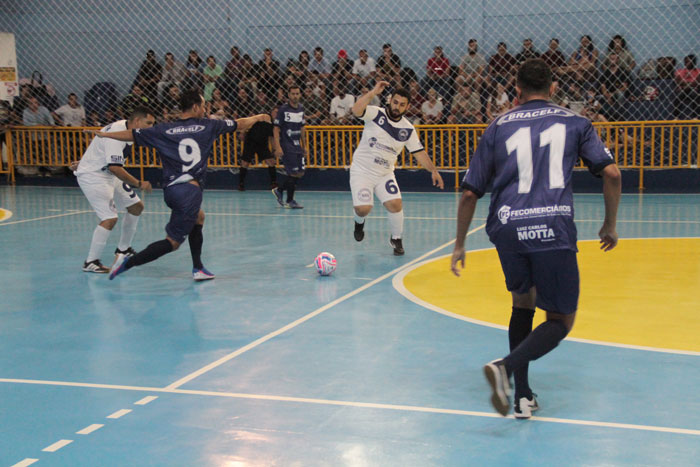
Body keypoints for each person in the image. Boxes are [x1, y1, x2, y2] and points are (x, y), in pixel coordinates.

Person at [449, 59, 621, 418]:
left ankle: (522, 397)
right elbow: (612, 173)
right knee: (560, 320)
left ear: (516, 89)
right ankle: (506, 368)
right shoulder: (576, 122)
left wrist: (460, 244)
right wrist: (609, 224)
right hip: (552, 227)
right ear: (554, 88)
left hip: (508, 225)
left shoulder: (497, 125)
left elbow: (469, 194)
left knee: (522, 303)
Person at [92, 90, 270, 281]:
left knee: (199, 217)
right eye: (203, 105)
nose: (205, 109)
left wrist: (104, 135)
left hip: (171, 190)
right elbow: (241, 124)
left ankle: (198, 267)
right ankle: (127, 263)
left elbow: (132, 135)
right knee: (173, 243)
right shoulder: (208, 125)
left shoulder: (163, 129)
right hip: (189, 191)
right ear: (195, 107)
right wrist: (260, 116)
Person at [350, 81, 445, 256]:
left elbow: (419, 152)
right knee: (363, 209)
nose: (397, 106)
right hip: (362, 171)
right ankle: (359, 222)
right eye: (395, 102)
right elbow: (356, 110)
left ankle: (396, 238)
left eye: (402, 104)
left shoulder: (408, 129)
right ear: (390, 100)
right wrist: (372, 93)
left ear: (407, 107)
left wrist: (433, 170)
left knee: (395, 204)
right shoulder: (375, 113)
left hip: (384, 173)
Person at [73, 107, 156, 273]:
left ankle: (123, 250)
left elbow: (99, 148)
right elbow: (116, 168)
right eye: (149, 123)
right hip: (94, 176)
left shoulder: (127, 130)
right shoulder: (117, 135)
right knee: (109, 218)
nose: (151, 127)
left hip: (107, 173)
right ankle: (91, 261)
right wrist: (139, 183)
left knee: (136, 206)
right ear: (137, 121)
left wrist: (86, 160)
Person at [272, 85, 306, 209]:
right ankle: (290, 200)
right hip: (287, 145)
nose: (295, 96)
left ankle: (279, 190)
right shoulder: (283, 110)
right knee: (293, 173)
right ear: (289, 95)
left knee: (300, 173)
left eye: (297, 93)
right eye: (293, 94)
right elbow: (276, 129)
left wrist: (305, 145)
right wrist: (278, 146)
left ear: (300, 94)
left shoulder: (301, 109)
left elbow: (302, 128)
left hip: (297, 145)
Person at [239, 106, 278, 191]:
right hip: (251, 141)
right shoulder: (264, 117)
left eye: (278, 113)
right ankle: (241, 183)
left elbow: (272, 138)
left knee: (271, 162)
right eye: (275, 112)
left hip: (262, 144)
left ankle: (273, 183)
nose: (276, 114)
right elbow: (249, 121)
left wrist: (274, 149)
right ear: (271, 112)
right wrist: (243, 132)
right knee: (245, 163)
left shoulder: (275, 124)